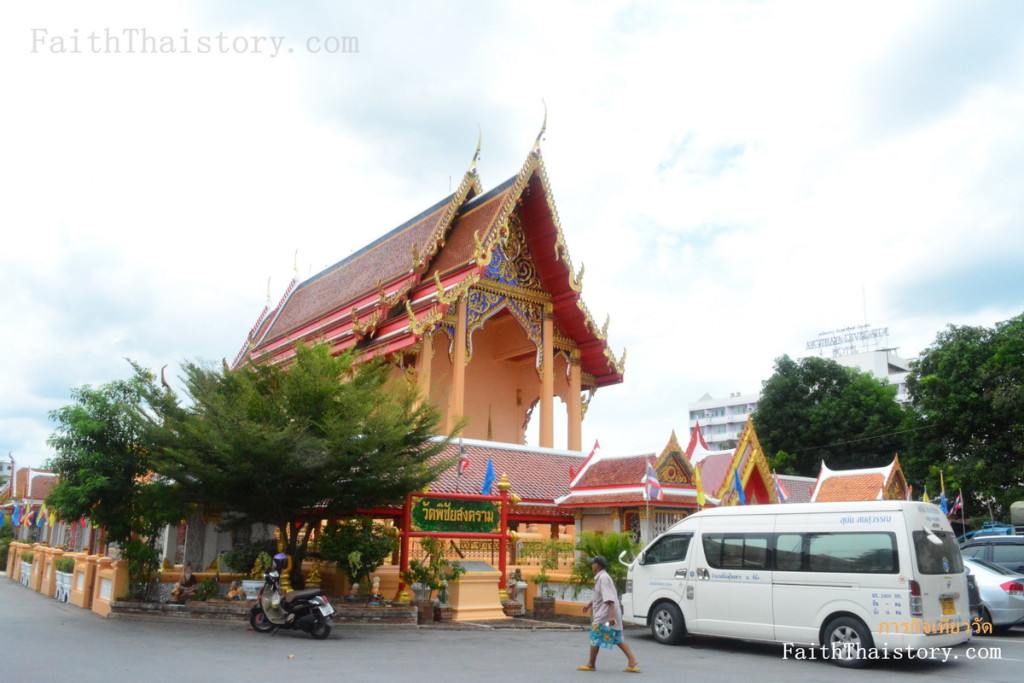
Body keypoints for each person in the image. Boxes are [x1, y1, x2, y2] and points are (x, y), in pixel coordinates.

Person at [577, 555, 640, 673]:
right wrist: (589, 604)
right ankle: (632, 660)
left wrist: (610, 616)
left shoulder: (603, 578)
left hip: (605, 614)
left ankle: (591, 664)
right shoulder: (602, 577)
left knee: (595, 636)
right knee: (616, 637)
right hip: (607, 612)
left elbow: (609, 598)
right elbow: (600, 596)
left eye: (593, 563)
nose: (592, 565)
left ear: (598, 566)